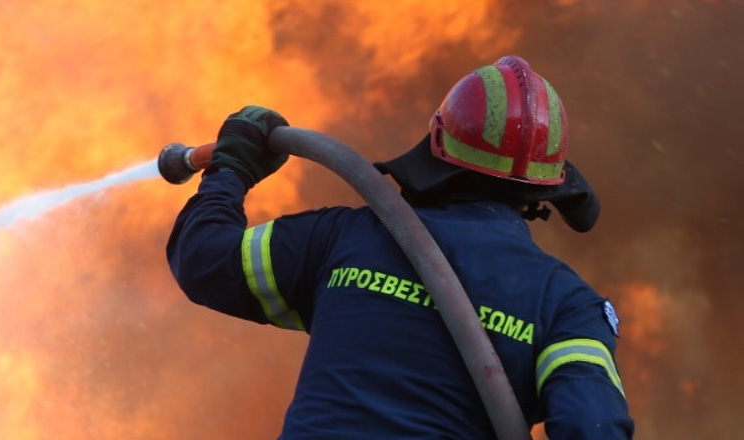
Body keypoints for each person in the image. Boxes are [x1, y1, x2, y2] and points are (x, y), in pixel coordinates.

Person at [166, 55, 635, 439]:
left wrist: (232, 169)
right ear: (546, 189)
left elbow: (204, 258)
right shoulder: (567, 307)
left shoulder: (343, 240)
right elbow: (590, 427)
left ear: (437, 142)